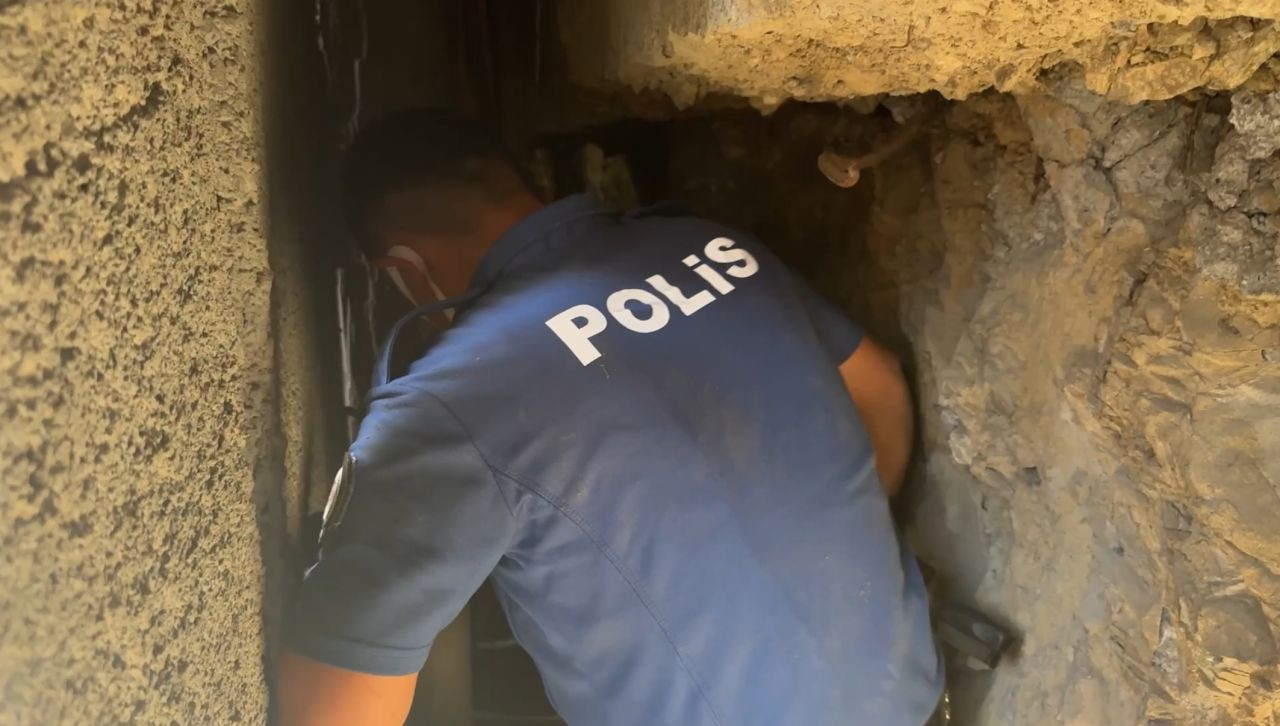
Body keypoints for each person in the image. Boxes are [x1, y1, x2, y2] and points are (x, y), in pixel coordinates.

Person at [277, 108, 943, 726]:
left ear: (405, 270)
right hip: (918, 704)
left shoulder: (444, 406)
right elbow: (879, 385)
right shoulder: (715, 248)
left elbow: (334, 707)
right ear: (531, 184)